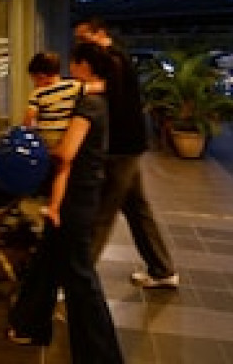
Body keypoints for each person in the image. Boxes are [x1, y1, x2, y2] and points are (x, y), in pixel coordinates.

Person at [8, 41, 124, 363]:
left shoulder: (89, 105)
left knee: (80, 277)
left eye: (74, 62)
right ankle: (29, 324)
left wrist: (39, 153)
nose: (70, 68)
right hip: (77, 193)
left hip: (76, 196)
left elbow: (66, 153)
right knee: (47, 263)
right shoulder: (91, 97)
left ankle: (101, 355)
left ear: (85, 65)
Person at [73, 17, 178, 288]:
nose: (80, 45)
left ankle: (78, 281)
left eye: (83, 38)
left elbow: (110, 94)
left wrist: (84, 89)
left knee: (101, 214)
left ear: (99, 34)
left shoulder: (112, 60)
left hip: (120, 148)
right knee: (137, 209)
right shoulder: (115, 57)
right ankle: (163, 270)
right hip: (128, 146)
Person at [23, 51, 83, 150]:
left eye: (34, 80)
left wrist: (25, 133)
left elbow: (29, 118)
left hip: (46, 140)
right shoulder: (74, 86)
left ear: (41, 76)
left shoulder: (38, 94)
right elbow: (96, 87)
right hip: (68, 138)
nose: (35, 84)